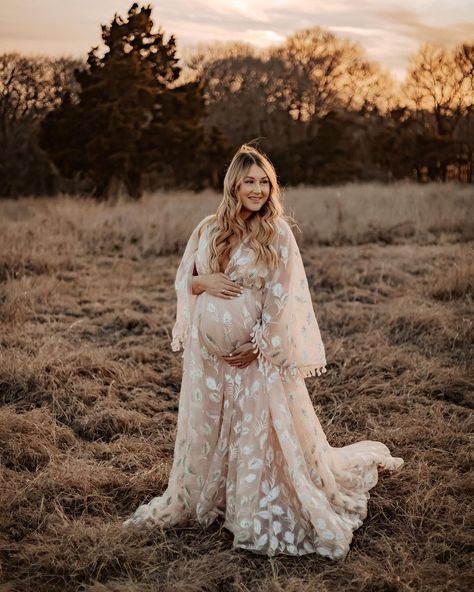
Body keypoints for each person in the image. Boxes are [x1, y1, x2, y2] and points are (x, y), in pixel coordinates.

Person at [123, 144, 404, 559]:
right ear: (233, 184)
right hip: (208, 361)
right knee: (215, 423)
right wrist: (208, 285)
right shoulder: (207, 228)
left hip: (256, 354)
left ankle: (252, 503)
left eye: (264, 182)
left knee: (254, 425)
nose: (257, 189)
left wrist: (258, 345)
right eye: (249, 181)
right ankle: (212, 492)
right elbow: (188, 280)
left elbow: (282, 297)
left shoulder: (277, 232)